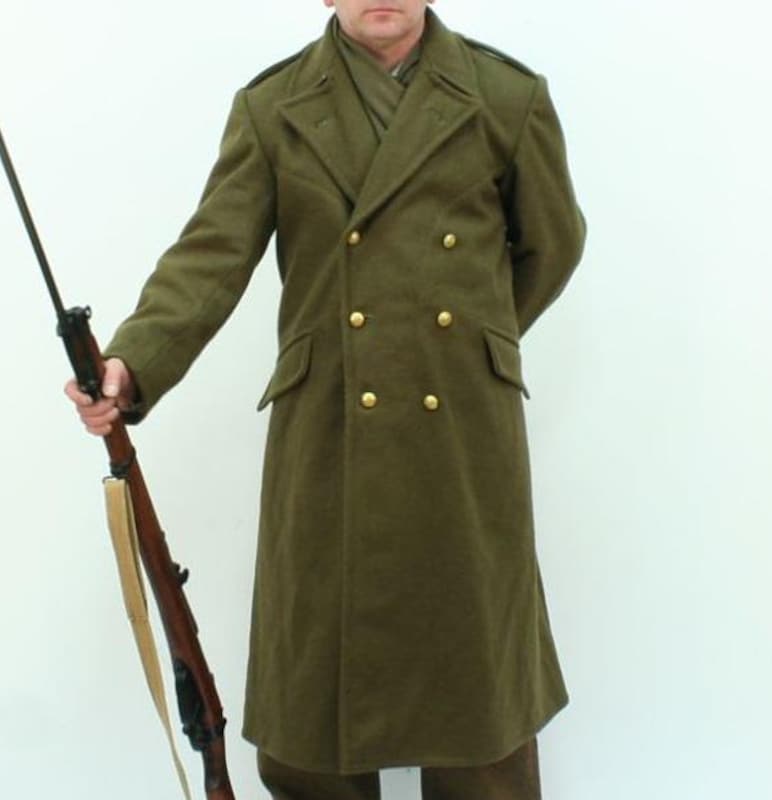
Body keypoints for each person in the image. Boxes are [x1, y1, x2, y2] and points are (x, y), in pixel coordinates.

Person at [65, 1, 586, 797]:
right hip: (328, 428)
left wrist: (468, 346)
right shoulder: (273, 107)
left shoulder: (506, 97)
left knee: (477, 680)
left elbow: (551, 246)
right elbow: (212, 255)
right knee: (315, 685)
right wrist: (134, 364)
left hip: (462, 432)